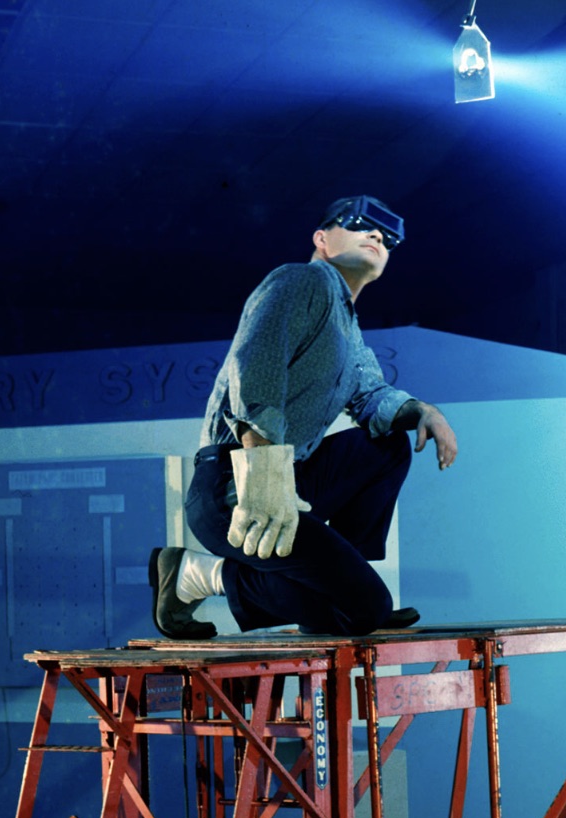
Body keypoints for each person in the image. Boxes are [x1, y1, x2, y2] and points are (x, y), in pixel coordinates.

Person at [149, 194, 458, 640]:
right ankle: (193, 575)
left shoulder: (348, 330)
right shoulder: (301, 282)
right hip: (235, 485)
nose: (375, 236)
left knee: (388, 443)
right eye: (357, 224)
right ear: (322, 239)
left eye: (386, 238)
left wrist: (424, 412)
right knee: (363, 610)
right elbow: (254, 366)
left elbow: (372, 396)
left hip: (291, 479)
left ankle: (344, 584)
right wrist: (262, 467)